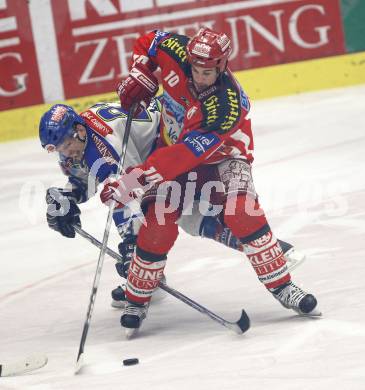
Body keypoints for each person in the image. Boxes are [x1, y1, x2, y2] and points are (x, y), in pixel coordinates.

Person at [101, 28, 320, 335]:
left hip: (223, 157)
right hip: (172, 151)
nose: (201, 77)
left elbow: (186, 154)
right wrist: (141, 71)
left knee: (241, 212)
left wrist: (136, 178)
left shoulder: (225, 104)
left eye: (208, 72)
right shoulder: (176, 48)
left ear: (221, 65)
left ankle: (284, 287)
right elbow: (148, 40)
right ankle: (137, 298)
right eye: (196, 70)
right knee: (158, 224)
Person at [39, 98, 304, 311]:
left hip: (167, 142)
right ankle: (266, 248)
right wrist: (67, 197)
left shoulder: (106, 142)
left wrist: (132, 247)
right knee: (182, 214)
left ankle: (261, 249)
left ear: (80, 129)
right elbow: (87, 177)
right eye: (58, 149)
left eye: (67, 144)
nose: (66, 152)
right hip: (150, 150)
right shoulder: (80, 143)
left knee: (183, 213)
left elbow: (125, 193)